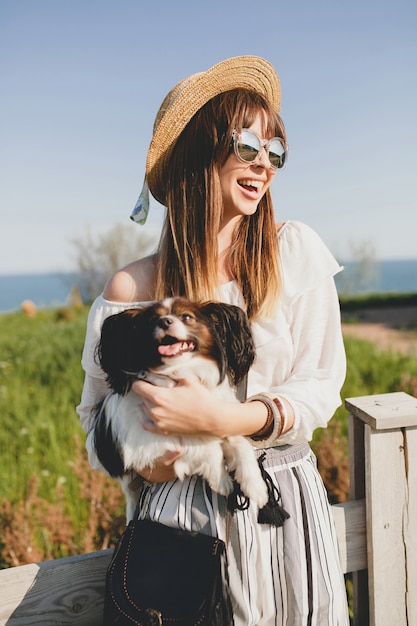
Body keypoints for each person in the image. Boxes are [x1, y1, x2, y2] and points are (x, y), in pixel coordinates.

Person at [77, 55, 349, 625]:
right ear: (201, 150)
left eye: (276, 151)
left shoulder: (292, 252)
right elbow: (96, 415)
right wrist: (153, 466)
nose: (266, 164)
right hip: (177, 523)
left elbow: (320, 384)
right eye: (249, 145)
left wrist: (224, 419)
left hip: (283, 506)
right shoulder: (135, 288)